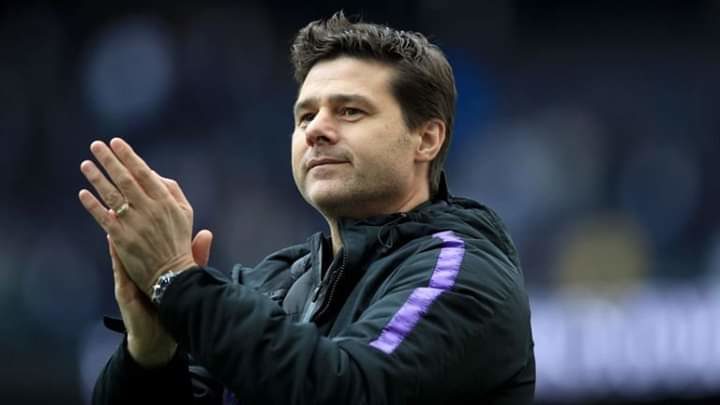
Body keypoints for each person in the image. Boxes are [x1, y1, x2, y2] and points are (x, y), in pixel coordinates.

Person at [79, 12, 535, 405]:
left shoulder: (460, 270)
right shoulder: (271, 283)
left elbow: (348, 389)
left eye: (350, 111)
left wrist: (177, 281)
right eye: (305, 116)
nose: (317, 130)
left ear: (426, 139)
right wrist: (151, 356)